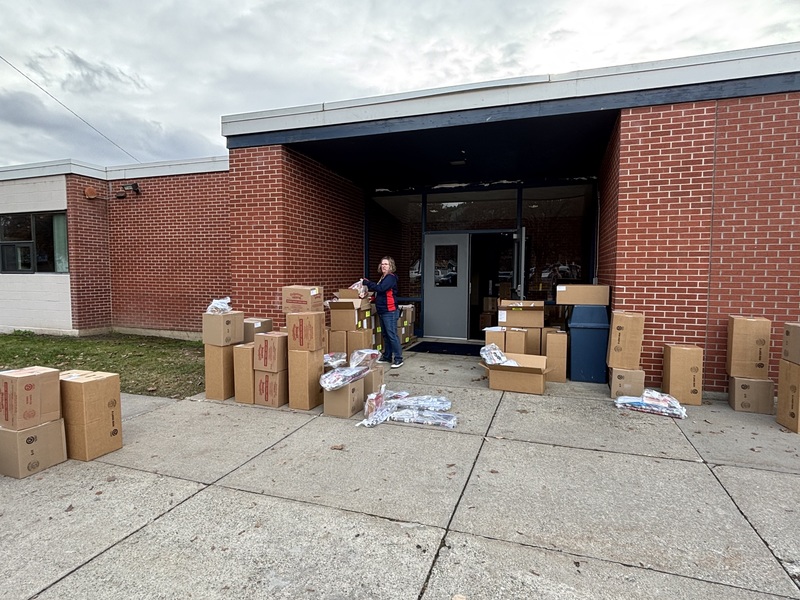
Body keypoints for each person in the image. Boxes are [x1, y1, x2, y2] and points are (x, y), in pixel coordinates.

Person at [362, 256, 403, 368]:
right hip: (383, 310)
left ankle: (398, 358)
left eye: (386, 264)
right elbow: (382, 293)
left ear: (391, 266)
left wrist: (368, 283)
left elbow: (381, 289)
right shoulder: (383, 277)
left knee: (392, 335)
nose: (384, 266)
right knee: (386, 335)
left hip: (389, 311)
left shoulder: (390, 277)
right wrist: (373, 299)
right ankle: (387, 356)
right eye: (382, 264)